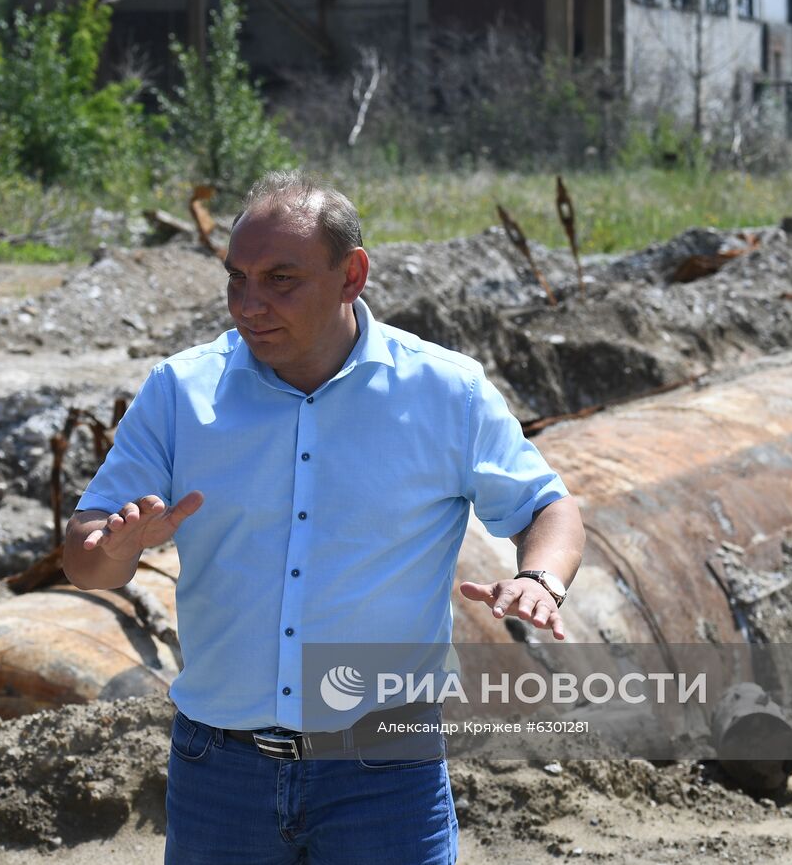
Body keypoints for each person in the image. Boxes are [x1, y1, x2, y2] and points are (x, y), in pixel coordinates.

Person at [62, 171, 585, 864]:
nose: (250, 304)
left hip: (385, 773)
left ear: (352, 275)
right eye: (237, 279)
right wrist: (117, 547)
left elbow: (549, 506)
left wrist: (539, 580)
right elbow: (84, 553)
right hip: (221, 772)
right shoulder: (181, 391)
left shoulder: (443, 391)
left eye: (281, 279)